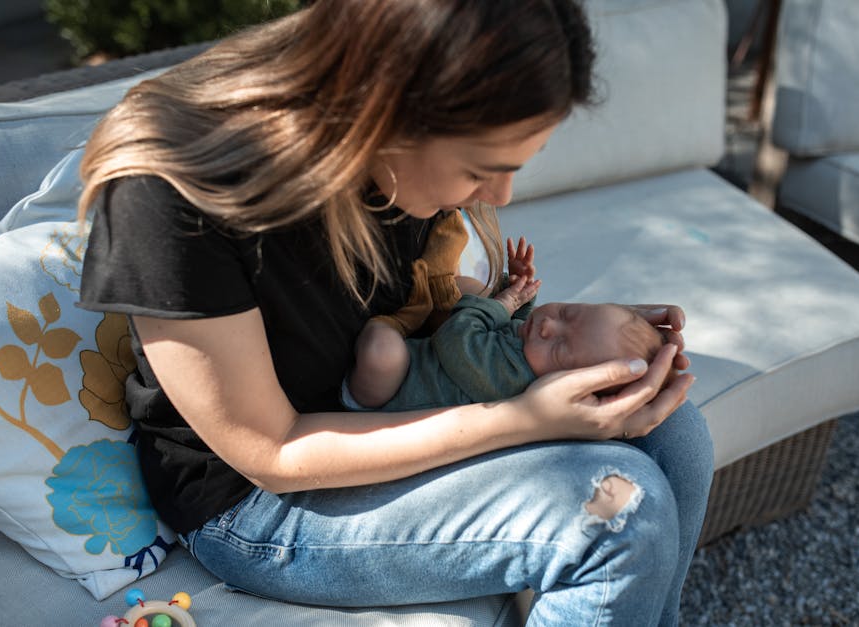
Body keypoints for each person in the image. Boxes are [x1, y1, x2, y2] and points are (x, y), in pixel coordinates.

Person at [76, 1, 714, 625]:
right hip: (263, 500)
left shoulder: (384, 164)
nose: (499, 197)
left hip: (386, 405)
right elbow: (270, 450)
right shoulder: (169, 196)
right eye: (478, 172)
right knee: (620, 514)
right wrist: (521, 418)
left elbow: (418, 299)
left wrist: (594, 337)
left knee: (674, 429)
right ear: (388, 115)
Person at [347, 240, 676, 410]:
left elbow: (456, 339)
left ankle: (355, 396)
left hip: (390, 399)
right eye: (568, 314)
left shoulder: (514, 379)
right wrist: (516, 289)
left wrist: (502, 304)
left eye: (560, 349)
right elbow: (519, 324)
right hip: (427, 358)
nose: (549, 327)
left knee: (382, 349)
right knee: (471, 291)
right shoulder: (531, 354)